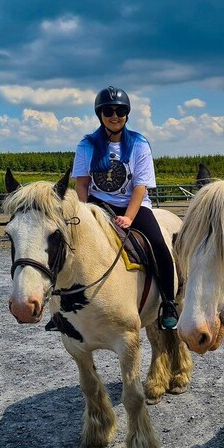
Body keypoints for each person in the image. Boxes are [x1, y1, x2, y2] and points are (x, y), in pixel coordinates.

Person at [72, 86, 179, 330]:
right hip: (98, 204)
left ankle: (169, 302)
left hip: (135, 205)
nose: (114, 115)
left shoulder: (139, 144)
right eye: (108, 110)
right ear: (100, 114)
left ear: (127, 114)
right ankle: (64, 308)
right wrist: (83, 213)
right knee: (68, 244)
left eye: (120, 110)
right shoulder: (86, 146)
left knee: (160, 246)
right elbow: (82, 184)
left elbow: (140, 187)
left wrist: (129, 218)